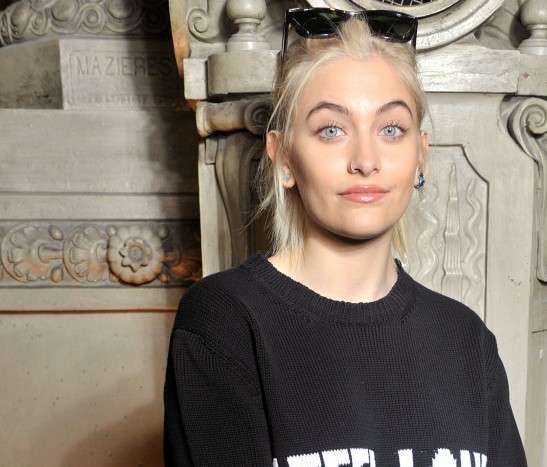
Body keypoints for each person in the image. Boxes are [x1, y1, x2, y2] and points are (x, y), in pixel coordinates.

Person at [164, 7, 527, 467]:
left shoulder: (465, 339)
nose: (366, 160)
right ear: (284, 157)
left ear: (421, 155)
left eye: (391, 129)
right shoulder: (226, 322)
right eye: (331, 130)